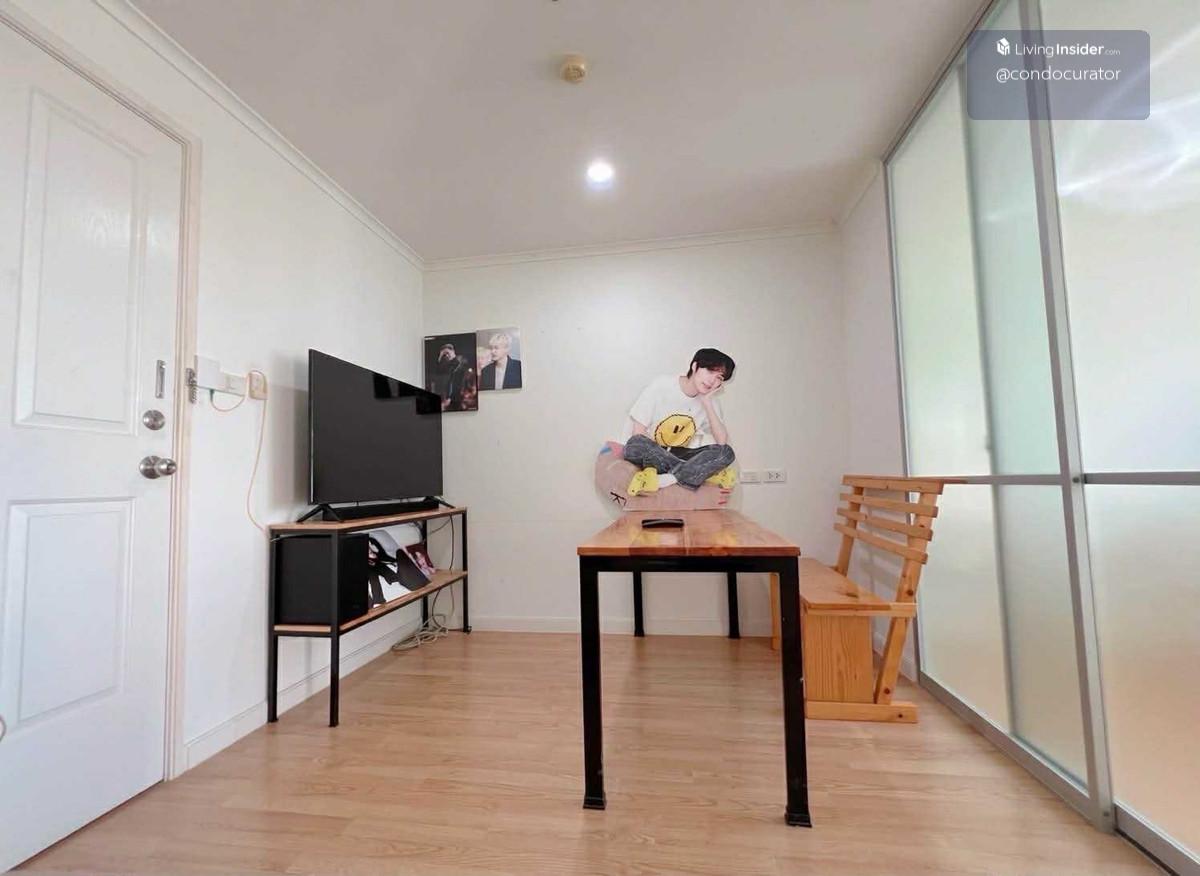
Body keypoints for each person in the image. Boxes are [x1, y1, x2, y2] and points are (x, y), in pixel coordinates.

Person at [621, 348, 737, 495]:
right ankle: (698, 473)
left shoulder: (710, 400)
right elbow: (638, 433)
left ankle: (666, 479)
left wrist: (707, 402)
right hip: (650, 448)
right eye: (709, 371)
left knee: (726, 452)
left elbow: (721, 442)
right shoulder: (662, 385)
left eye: (719, 378)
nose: (712, 381)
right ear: (695, 366)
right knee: (636, 443)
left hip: (678, 453)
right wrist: (698, 466)